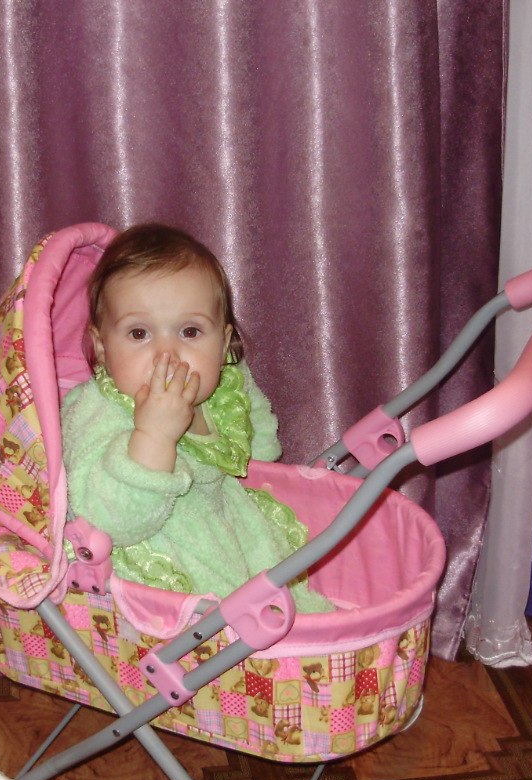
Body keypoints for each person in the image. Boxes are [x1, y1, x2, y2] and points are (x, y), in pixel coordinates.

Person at [61, 223, 334, 613]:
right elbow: (110, 519)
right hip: (157, 562)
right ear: (102, 347)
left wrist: (260, 464)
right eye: (139, 334)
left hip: (227, 529)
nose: (167, 355)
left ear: (222, 344)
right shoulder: (100, 410)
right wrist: (153, 436)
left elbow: (257, 441)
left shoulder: (221, 390)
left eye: (190, 331)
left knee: (287, 597)